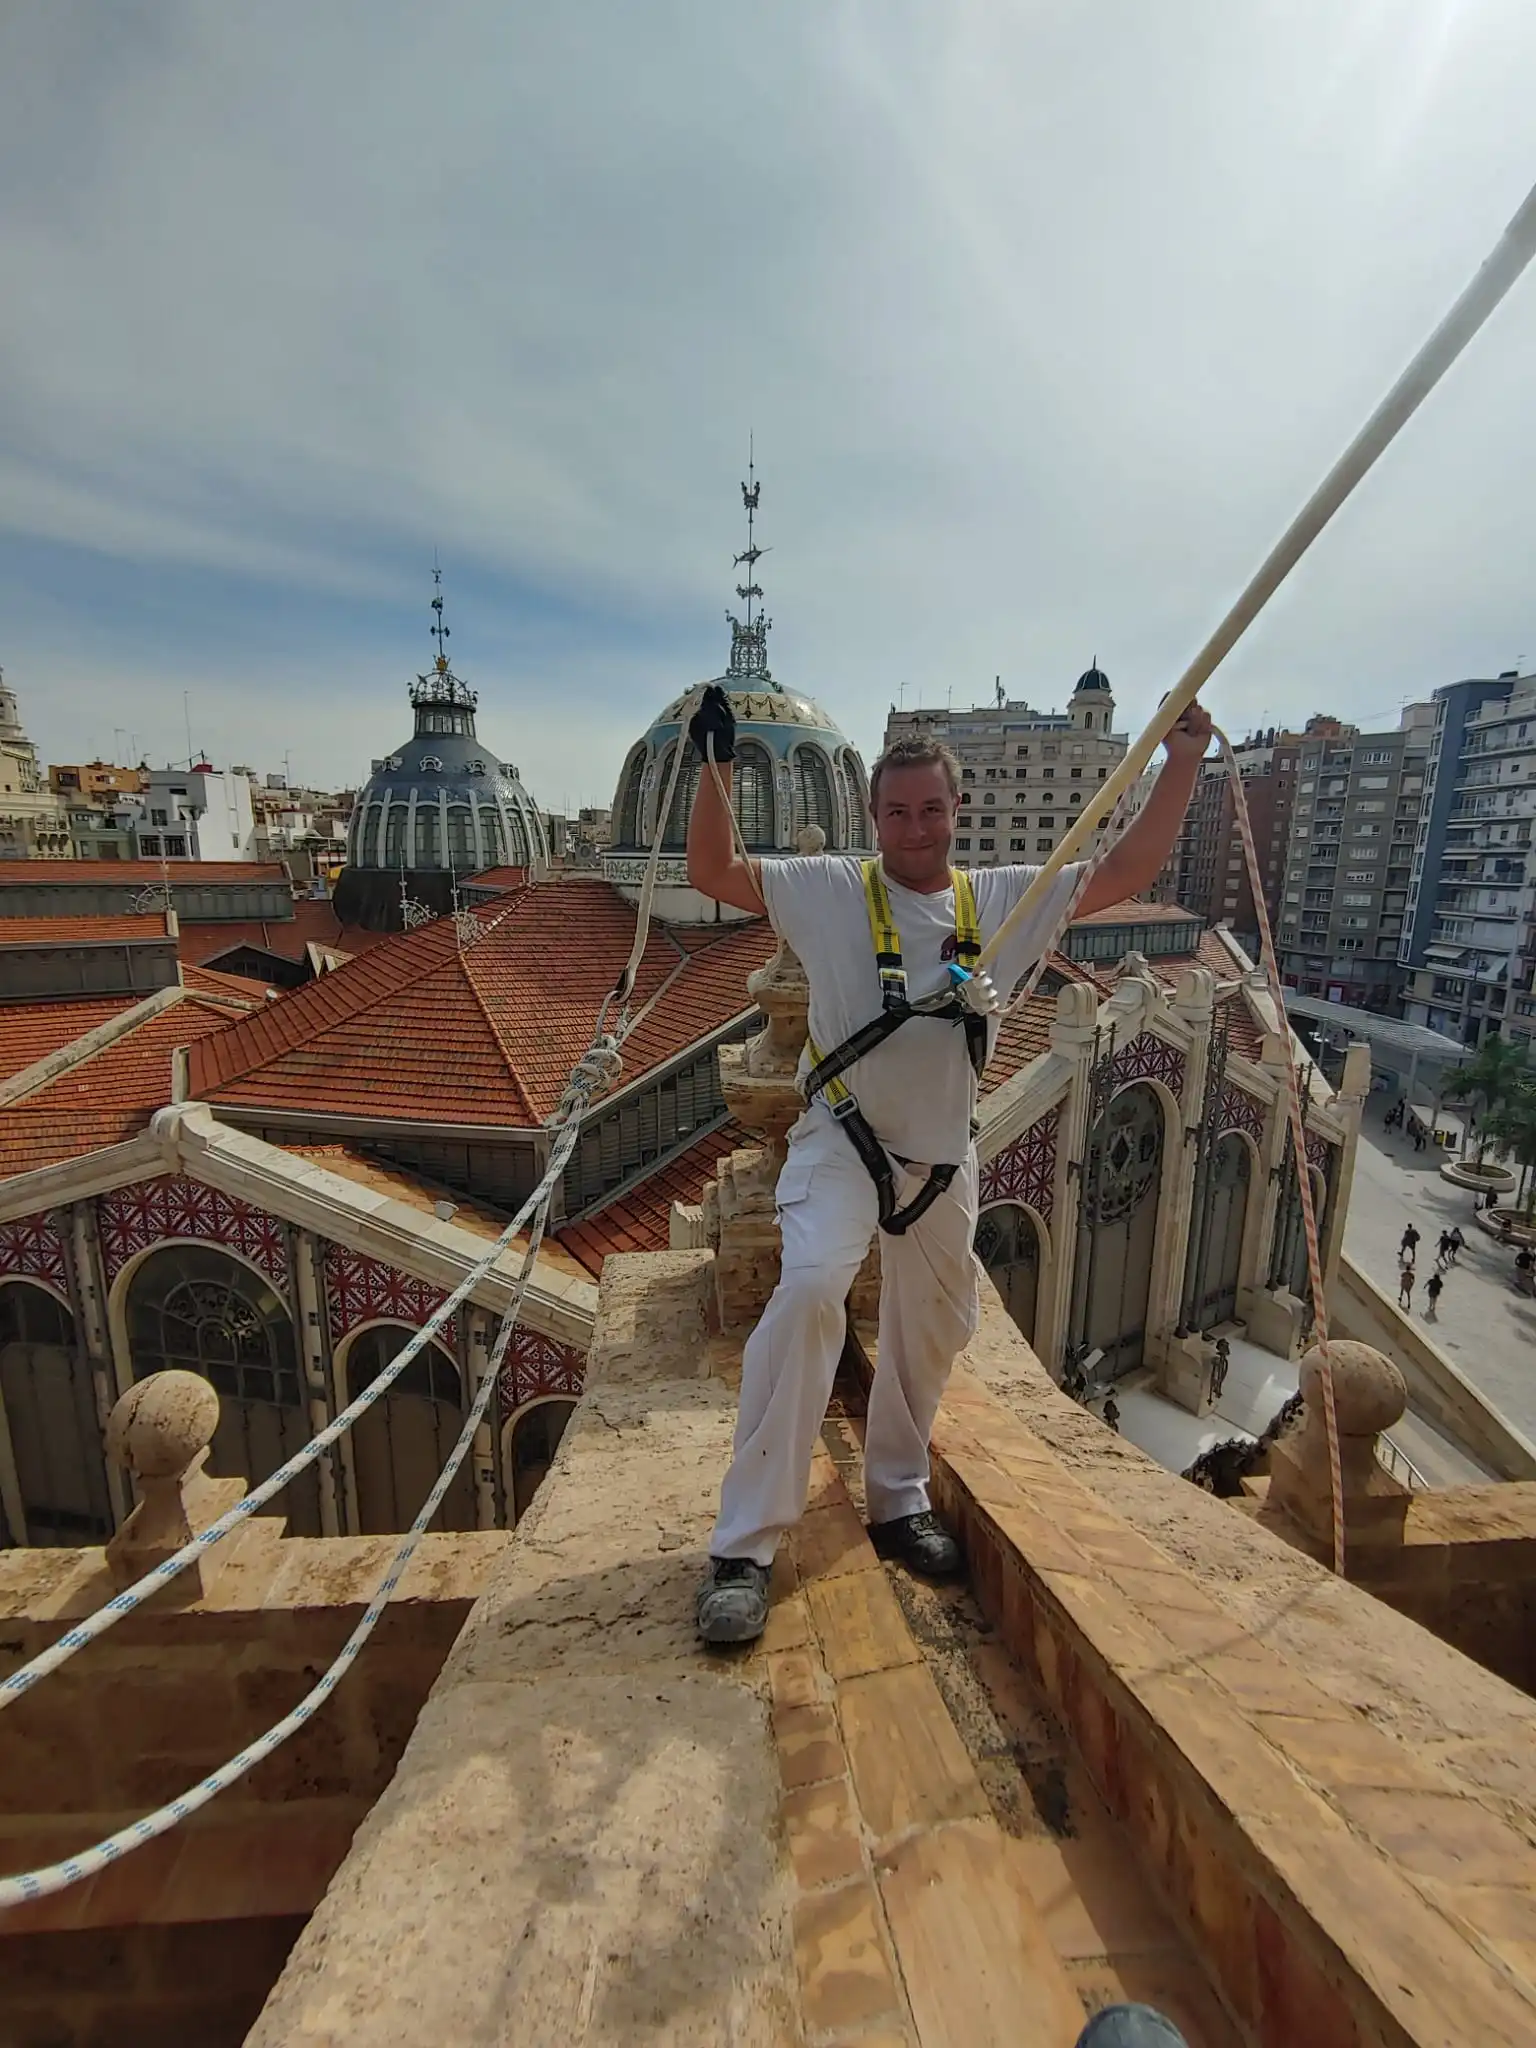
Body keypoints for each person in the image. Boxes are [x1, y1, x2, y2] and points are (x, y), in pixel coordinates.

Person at [685, 686, 1213, 1643]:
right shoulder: (835, 890)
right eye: (897, 810)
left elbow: (1130, 866)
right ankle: (744, 1547)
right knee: (808, 1293)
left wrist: (1182, 761)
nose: (915, 826)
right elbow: (713, 868)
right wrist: (714, 765)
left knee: (933, 1325)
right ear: (874, 816)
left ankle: (898, 1498)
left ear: (955, 812)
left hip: (939, 1158)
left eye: (931, 808)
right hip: (843, 1145)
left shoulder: (1005, 899)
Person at [1209, 1335, 1230, 1404]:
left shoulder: (1223, 1360)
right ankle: (1216, 1388)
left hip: (1220, 1365)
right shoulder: (1218, 1358)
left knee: (1219, 1377)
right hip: (1219, 1364)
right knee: (1217, 1376)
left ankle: (1217, 1388)